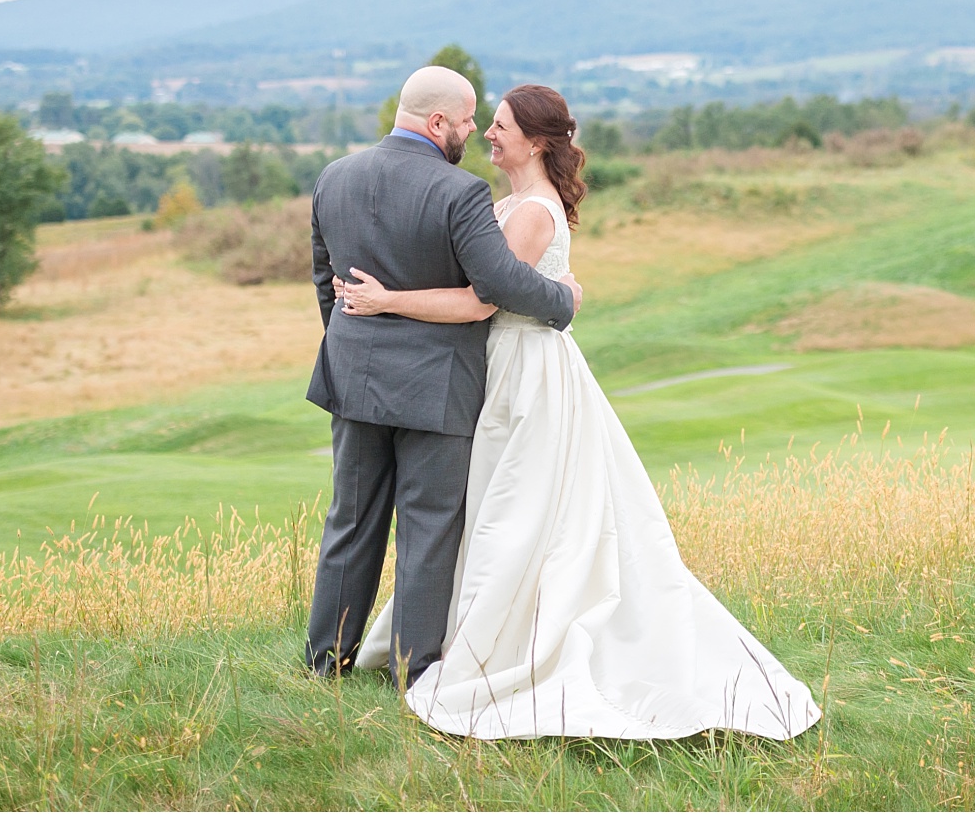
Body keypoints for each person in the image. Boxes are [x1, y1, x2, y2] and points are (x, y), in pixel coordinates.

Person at [343, 84, 820, 741]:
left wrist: (386, 300)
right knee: (497, 508)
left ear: (536, 141)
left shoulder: (532, 213)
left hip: (527, 377)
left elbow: (481, 302)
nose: (487, 133)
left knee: (519, 511)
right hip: (505, 367)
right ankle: (466, 637)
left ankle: (506, 649)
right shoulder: (509, 203)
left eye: (502, 125)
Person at [303, 66, 583, 686]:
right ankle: (413, 672)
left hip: (355, 380)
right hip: (439, 386)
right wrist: (564, 300)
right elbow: (498, 285)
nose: (471, 132)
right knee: (428, 529)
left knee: (350, 519)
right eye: (462, 122)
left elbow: (326, 282)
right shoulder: (459, 193)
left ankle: (327, 661)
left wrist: (353, 346)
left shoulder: (334, 177)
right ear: (436, 122)